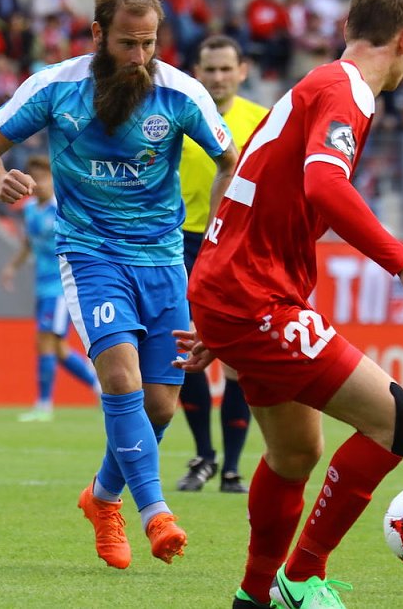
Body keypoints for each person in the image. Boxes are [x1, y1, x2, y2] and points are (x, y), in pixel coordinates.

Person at [175, 0, 403, 609]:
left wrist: (222, 318)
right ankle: (301, 578)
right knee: (399, 423)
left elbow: (251, 191)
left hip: (236, 290)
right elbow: (324, 185)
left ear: (349, 27)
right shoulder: (345, 90)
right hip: (252, 295)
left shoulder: (315, 85)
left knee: (295, 453)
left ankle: (254, 596)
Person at [0, 0, 239, 569]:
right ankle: (154, 513)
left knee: (161, 406)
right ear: (97, 35)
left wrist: (216, 238)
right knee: (120, 377)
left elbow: (228, 161)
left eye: (149, 44)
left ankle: (102, 496)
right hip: (90, 254)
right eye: (126, 44)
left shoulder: (180, 92)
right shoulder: (54, 87)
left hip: (163, 259)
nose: (139, 57)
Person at [176, 35, 268, 495]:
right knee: (185, 350)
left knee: (234, 357)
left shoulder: (262, 120)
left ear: (242, 71)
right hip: (179, 242)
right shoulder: (179, 115)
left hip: (236, 245)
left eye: (226, 69)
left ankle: (231, 468)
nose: (218, 77)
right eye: (210, 69)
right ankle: (204, 457)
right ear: (197, 72)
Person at [0, 155, 102, 422]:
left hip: (61, 286)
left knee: (46, 342)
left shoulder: (62, 209)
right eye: (35, 177)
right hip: (41, 286)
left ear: (54, 179)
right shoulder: (30, 210)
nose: (40, 182)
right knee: (57, 348)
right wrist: (12, 267)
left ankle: (44, 405)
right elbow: (28, 243)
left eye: (44, 177)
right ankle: (98, 385)